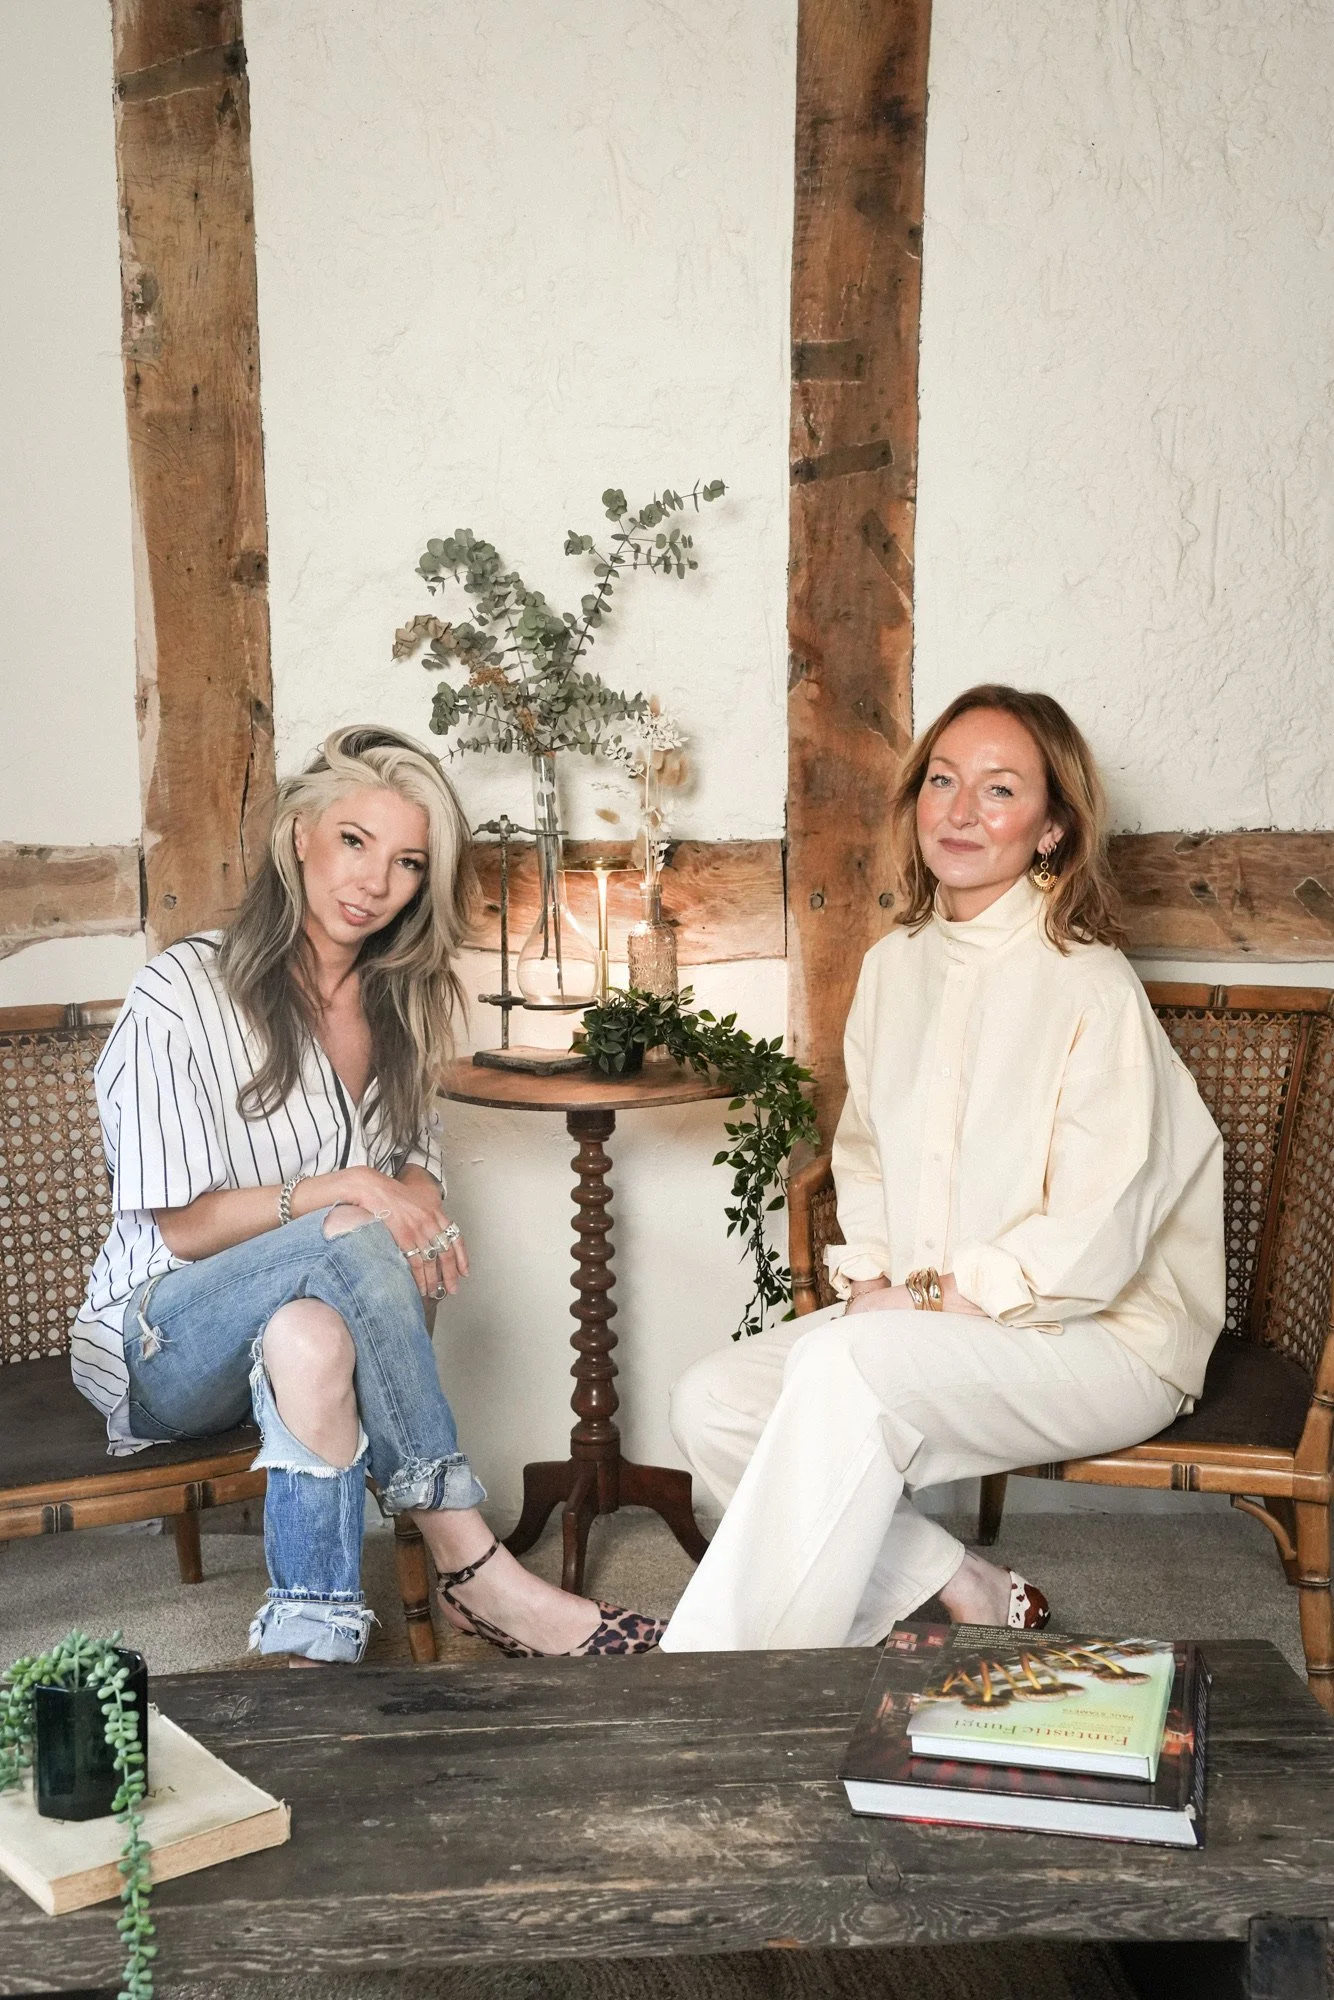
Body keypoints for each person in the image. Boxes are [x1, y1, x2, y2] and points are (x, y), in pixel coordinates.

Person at [71, 725, 664, 1663]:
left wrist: (412, 1212)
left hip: (301, 1325)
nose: (372, 881)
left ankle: (314, 1646)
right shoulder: (179, 993)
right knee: (348, 1227)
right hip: (159, 1336)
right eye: (353, 840)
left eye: (407, 862)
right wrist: (348, 1197)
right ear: (301, 833)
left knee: (314, 1337)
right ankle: (477, 1568)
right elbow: (181, 1229)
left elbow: (414, 1163)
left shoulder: (401, 1002)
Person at [660, 685, 1225, 1652]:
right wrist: (876, 1275)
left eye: (1000, 790)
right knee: (711, 1405)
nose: (961, 813)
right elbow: (868, 1153)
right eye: (943, 781)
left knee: (846, 1365)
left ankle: (724, 1684)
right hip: (931, 1318)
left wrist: (916, 1304)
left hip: (1105, 1336)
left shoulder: (1091, 982)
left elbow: (1094, 1234)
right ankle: (956, 1577)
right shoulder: (896, 965)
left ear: (1052, 829)